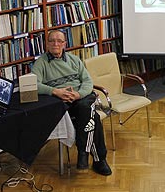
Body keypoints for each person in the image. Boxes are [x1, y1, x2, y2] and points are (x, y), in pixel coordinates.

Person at [32, 29, 112, 176]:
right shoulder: (40, 63)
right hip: (62, 102)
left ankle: (84, 152)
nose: (55, 44)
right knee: (93, 118)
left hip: (81, 97)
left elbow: (88, 81)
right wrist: (55, 91)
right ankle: (98, 159)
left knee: (84, 107)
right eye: (52, 41)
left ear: (64, 44)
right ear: (47, 44)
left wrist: (78, 94)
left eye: (59, 41)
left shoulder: (74, 60)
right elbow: (34, 85)